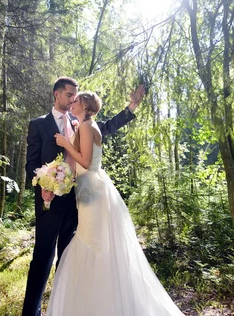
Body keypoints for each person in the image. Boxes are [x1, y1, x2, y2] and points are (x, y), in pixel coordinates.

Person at [46, 91, 184, 316]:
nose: (72, 102)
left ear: (86, 105)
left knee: (92, 243)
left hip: (92, 192)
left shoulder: (86, 126)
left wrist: (65, 144)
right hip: (89, 189)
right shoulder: (87, 124)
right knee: (94, 243)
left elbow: (87, 162)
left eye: (76, 100)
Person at [21, 77, 145, 316]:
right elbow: (31, 164)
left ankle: (65, 308)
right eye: (69, 95)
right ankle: (31, 313)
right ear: (56, 94)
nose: (72, 100)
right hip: (49, 200)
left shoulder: (80, 123)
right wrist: (40, 187)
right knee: (42, 258)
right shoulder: (38, 125)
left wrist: (131, 109)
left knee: (69, 260)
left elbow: (105, 127)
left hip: (79, 201)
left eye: (75, 96)